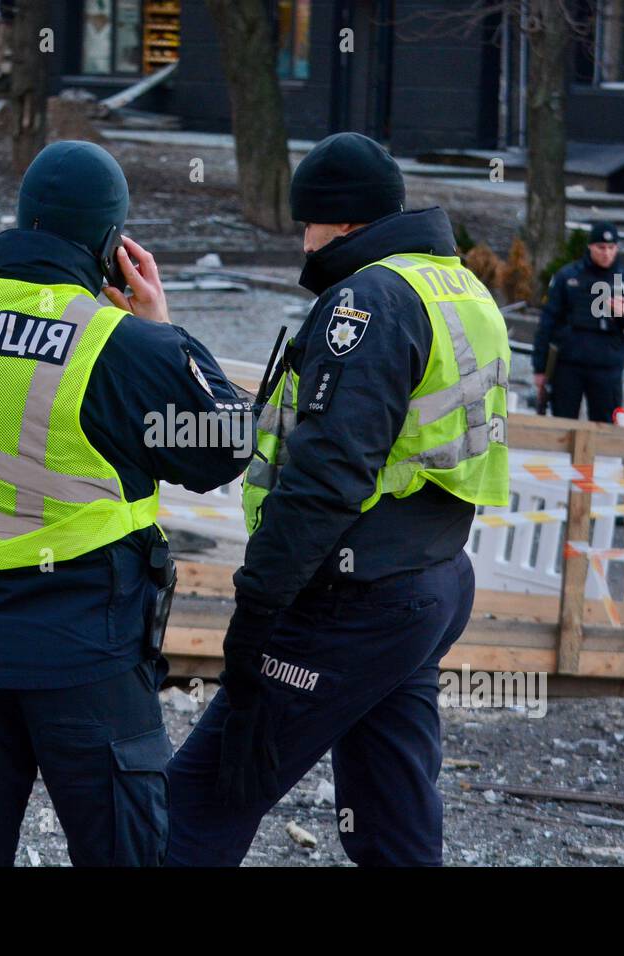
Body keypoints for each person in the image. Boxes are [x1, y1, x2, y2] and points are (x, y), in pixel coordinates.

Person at [0, 141, 252, 866]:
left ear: (20, 224)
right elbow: (224, 447)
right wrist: (160, 329)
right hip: (84, 651)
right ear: (112, 246)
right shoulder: (115, 346)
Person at [165, 132, 511, 867]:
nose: (304, 239)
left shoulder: (367, 301)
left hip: (352, 596)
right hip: (430, 582)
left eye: (308, 222)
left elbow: (327, 474)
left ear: (342, 222)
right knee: (391, 815)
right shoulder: (453, 285)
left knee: (201, 794)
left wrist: (256, 611)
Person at [532, 221, 624, 423]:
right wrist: (540, 368)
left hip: (607, 369)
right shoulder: (568, 277)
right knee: (562, 425)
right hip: (568, 366)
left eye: (611, 248)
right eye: (601, 248)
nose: (606, 253)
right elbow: (547, 323)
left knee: (605, 429)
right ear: (590, 247)